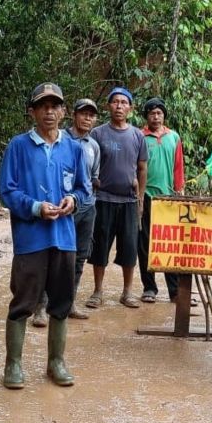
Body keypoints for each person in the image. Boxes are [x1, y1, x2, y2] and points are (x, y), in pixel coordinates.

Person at [0, 82, 91, 388]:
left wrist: (73, 201)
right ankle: (13, 365)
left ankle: (56, 363)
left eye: (55, 106)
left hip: (64, 238)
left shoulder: (74, 148)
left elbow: (84, 189)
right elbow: (7, 190)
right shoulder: (18, 146)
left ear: (63, 111)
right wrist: (36, 207)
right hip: (30, 239)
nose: (49, 112)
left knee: (61, 302)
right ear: (33, 112)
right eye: (43, 106)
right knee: (23, 302)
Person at [32, 98, 100, 326]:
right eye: (83, 113)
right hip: (58, 210)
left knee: (79, 256)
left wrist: (79, 197)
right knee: (50, 256)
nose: (87, 118)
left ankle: (69, 302)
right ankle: (41, 306)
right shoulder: (62, 140)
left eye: (92, 115)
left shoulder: (93, 145)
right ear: (71, 114)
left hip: (86, 206)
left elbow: (91, 180)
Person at [85, 87, 148, 310]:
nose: (119, 106)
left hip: (129, 202)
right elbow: (88, 163)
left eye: (124, 102)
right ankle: (98, 291)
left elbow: (142, 169)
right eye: (115, 102)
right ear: (108, 106)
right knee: (100, 247)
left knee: (130, 248)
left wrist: (140, 197)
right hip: (102, 200)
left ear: (130, 108)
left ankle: (128, 292)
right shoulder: (98, 134)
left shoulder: (137, 136)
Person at [136, 97, 185, 303]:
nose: (156, 117)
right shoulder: (138, 136)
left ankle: (174, 291)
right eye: (152, 113)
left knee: (169, 244)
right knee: (145, 243)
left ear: (164, 116)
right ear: (146, 116)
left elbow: (178, 166)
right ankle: (149, 287)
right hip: (144, 197)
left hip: (168, 198)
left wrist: (179, 190)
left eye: (159, 113)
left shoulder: (173, 137)